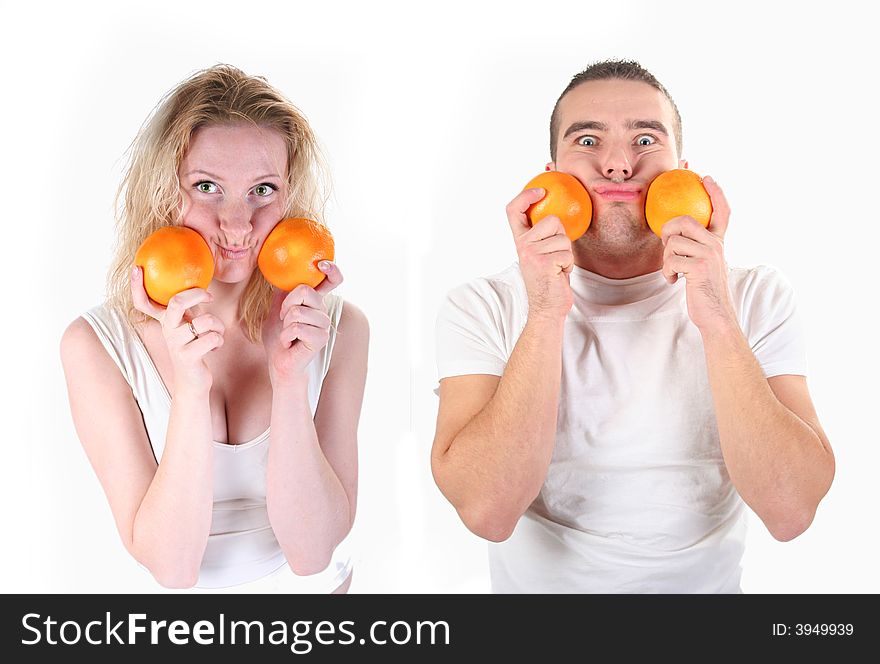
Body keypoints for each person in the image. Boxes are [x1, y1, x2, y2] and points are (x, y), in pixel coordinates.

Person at [431, 59, 834, 593]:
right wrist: (547, 313)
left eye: (645, 139)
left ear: (683, 170)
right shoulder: (482, 306)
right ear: (549, 172)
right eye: (588, 141)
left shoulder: (757, 297)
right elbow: (487, 510)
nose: (618, 165)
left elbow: (791, 509)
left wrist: (715, 316)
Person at [60, 65, 368, 593]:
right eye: (207, 187)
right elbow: (172, 567)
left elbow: (313, 553)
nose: (237, 225)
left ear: (289, 197)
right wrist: (190, 385)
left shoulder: (338, 328)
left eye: (262, 190)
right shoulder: (96, 345)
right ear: (163, 194)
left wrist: (290, 377)